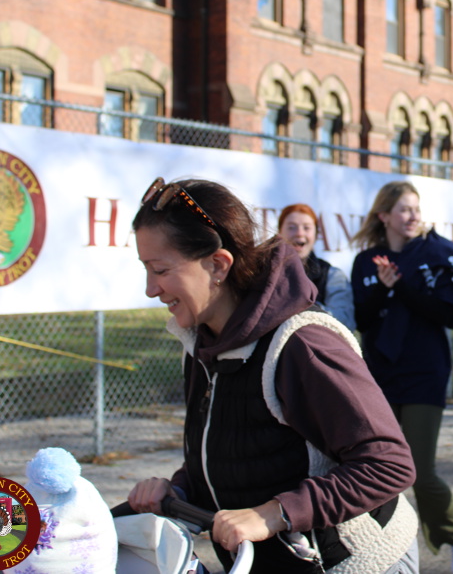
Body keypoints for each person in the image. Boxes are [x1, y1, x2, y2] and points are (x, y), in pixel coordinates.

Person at [126, 177, 419, 573]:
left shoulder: (302, 344)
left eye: (160, 269)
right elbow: (240, 454)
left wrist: (275, 513)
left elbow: (389, 465)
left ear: (218, 264)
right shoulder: (200, 343)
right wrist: (178, 489)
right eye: (146, 269)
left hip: (358, 562)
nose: (150, 289)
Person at [350, 181, 453, 574]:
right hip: (381, 376)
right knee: (378, 469)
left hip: (425, 373)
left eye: (415, 209)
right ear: (384, 215)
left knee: (420, 473)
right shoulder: (366, 261)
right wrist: (383, 289)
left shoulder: (434, 256)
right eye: (404, 209)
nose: (412, 216)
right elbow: (362, 320)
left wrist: (402, 286)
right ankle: (386, 551)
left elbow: (448, 315)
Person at [278, 203, 356, 331]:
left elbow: (345, 321)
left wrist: (301, 307)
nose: (299, 233)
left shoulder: (332, 275)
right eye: (292, 227)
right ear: (279, 233)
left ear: (316, 234)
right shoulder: (265, 272)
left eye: (306, 228)